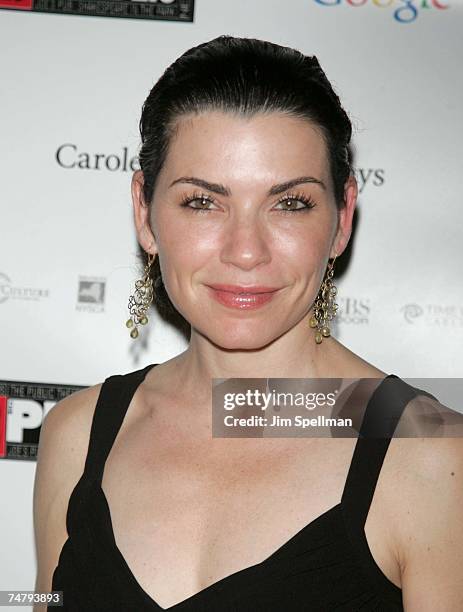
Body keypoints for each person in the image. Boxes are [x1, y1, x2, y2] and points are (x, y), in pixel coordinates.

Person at [33, 35, 463, 611]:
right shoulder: (76, 436)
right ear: (144, 210)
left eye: (289, 203)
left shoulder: (431, 457)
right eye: (203, 202)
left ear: (342, 220)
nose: (245, 251)